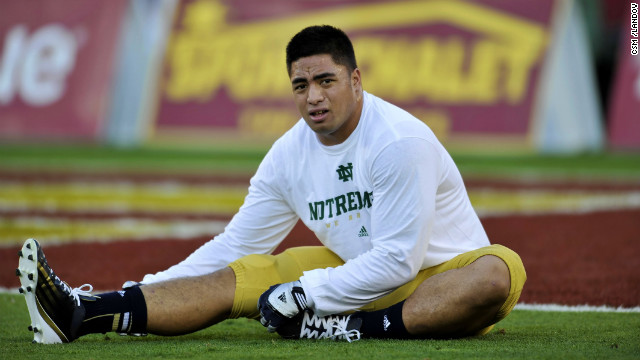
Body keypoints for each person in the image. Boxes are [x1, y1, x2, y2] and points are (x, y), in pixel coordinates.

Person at [16, 25, 526, 344]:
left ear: (356, 81)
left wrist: (309, 293)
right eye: (300, 86)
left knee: (499, 271)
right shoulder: (288, 153)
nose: (313, 98)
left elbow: (399, 260)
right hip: (354, 277)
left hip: (438, 285)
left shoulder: (397, 140)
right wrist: (149, 288)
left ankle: (354, 330)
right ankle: (85, 313)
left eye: (326, 80)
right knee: (239, 273)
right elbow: (237, 243)